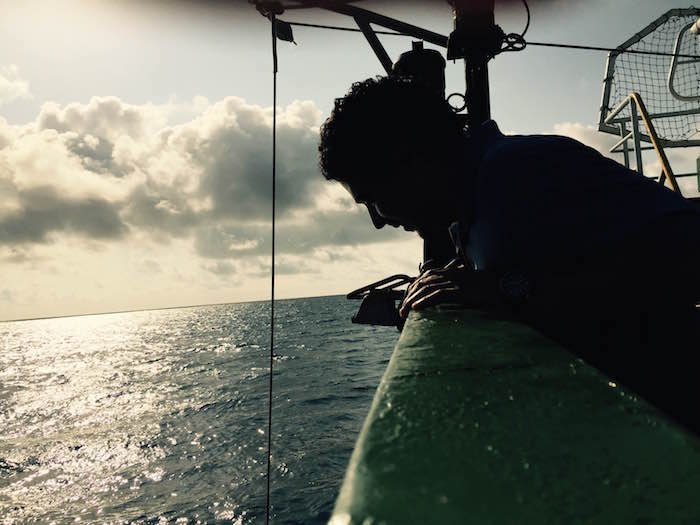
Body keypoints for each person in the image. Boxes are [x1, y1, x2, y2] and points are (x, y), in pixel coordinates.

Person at [319, 75, 700, 432]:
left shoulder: (519, 171)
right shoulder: (476, 205)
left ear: (408, 160)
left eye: (373, 199)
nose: (377, 221)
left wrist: (507, 289)